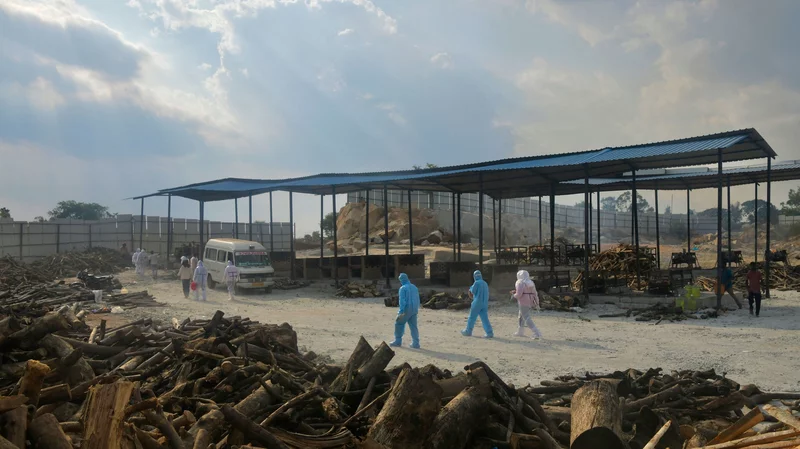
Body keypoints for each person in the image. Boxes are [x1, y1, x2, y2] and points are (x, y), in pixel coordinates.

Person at [389, 273, 421, 349]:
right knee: (413, 326)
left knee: (399, 323)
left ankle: (398, 341)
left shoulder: (403, 288)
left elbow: (402, 301)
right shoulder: (414, 287)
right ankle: (416, 343)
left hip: (406, 309)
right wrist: (416, 308)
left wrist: (401, 311)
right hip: (414, 309)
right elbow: (418, 299)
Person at [511, 270, 542, 339]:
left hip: (523, 301)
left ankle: (536, 332)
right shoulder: (530, 282)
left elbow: (519, 294)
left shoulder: (519, 282)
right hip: (530, 300)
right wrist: (537, 303)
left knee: (526, 317)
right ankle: (520, 331)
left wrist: (513, 295)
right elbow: (535, 293)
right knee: (521, 315)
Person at [462, 270, 493, 338]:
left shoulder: (476, 283)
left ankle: (468, 331)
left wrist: (470, 289)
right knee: (484, 318)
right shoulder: (485, 283)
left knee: (472, 317)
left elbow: (472, 292)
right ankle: (489, 332)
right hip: (484, 303)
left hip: (477, 302)